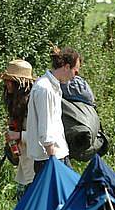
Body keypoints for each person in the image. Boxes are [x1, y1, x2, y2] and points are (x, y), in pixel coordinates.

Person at [26, 46, 81, 176]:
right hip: (50, 158)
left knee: (72, 193)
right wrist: (53, 161)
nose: (75, 76)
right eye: (76, 71)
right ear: (67, 67)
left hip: (58, 154)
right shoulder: (45, 88)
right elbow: (46, 128)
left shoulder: (53, 86)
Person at [0, 59, 35, 199]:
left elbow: (41, 135)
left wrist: (17, 136)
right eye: (6, 80)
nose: (7, 84)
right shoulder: (16, 104)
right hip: (24, 166)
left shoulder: (32, 103)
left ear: (20, 83)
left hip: (36, 166)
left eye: (10, 81)